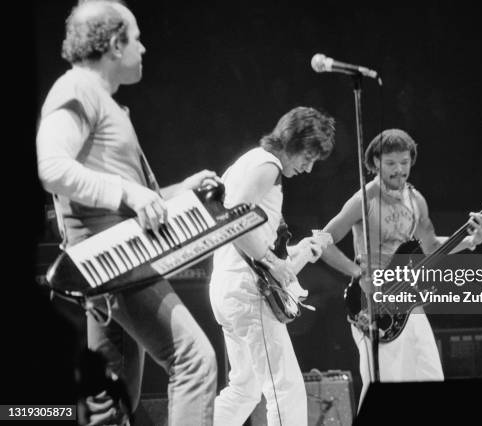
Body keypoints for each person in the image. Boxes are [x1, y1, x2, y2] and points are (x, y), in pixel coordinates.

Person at [36, 1, 219, 424]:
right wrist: (128, 193)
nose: (144, 48)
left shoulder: (103, 101)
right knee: (194, 361)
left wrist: (176, 193)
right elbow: (52, 167)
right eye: (136, 37)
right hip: (114, 262)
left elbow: (134, 201)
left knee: (110, 404)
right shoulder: (77, 89)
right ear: (116, 44)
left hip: (112, 262)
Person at [319, 129, 482, 404]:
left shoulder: (416, 200)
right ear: (375, 162)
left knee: (429, 376)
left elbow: (431, 247)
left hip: (409, 302)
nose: (399, 170)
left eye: (405, 162)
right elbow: (324, 240)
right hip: (371, 305)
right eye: (390, 163)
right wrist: (357, 272)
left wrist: (470, 241)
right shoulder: (365, 198)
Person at [209, 107, 335, 426]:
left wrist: (297, 252)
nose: (307, 168)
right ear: (291, 142)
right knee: (285, 388)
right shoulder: (268, 164)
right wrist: (271, 262)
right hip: (246, 293)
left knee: (244, 391)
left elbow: (250, 235)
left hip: (230, 288)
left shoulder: (250, 162)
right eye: (308, 156)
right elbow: (233, 219)